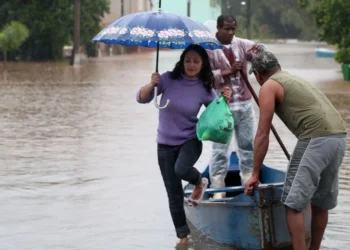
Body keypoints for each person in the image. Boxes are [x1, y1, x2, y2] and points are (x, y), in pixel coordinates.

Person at [244, 51, 347, 250]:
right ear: (278, 67)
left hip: (315, 138)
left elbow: (263, 133)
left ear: (258, 75)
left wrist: (255, 173)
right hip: (339, 137)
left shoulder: (269, 85)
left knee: (293, 203)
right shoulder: (293, 79)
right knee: (320, 204)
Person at [136, 44, 232, 245]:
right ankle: (183, 238)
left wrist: (224, 101)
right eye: (188, 60)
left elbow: (216, 116)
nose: (191, 64)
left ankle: (199, 181)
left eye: (196, 61)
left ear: (202, 63)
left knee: (181, 169)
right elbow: (141, 98)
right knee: (173, 193)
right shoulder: (167, 79)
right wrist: (151, 84)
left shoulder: (204, 87)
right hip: (164, 144)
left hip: (190, 141)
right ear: (182, 61)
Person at [205, 14, 266, 199]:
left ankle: (248, 181)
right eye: (226, 29)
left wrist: (258, 54)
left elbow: (261, 51)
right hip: (222, 107)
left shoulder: (241, 44)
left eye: (233, 29)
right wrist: (227, 71)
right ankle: (217, 188)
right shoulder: (208, 48)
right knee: (220, 149)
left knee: (248, 146)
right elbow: (205, 78)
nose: (230, 33)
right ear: (218, 28)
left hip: (245, 106)